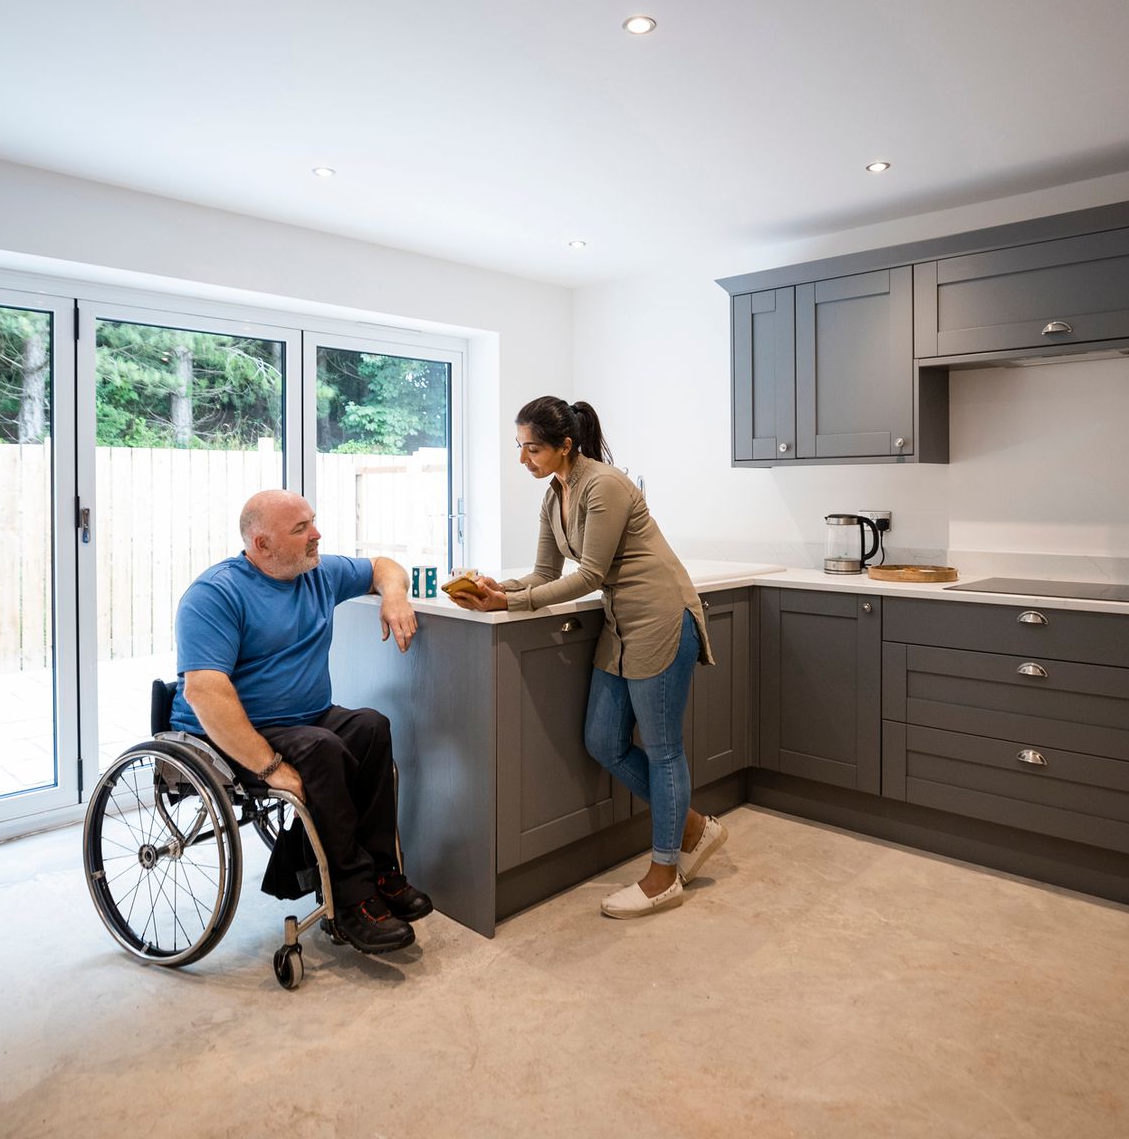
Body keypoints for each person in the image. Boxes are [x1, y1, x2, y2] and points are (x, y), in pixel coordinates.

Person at [449, 397, 728, 918]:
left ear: (565, 446)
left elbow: (591, 575)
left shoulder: (605, 485)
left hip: (661, 617)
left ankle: (665, 874)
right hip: (621, 626)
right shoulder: (554, 495)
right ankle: (692, 827)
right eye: (521, 448)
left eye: (532, 448)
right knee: (603, 741)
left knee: (664, 750)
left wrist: (510, 602)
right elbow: (544, 573)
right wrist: (493, 587)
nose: (524, 459)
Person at [169, 489, 432, 955]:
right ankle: (351, 905)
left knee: (372, 725)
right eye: (301, 529)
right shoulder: (215, 595)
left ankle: (383, 876)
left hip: (306, 718)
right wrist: (271, 768)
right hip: (233, 732)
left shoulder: (318, 574)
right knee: (321, 749)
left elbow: (381, 566)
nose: (317, 535)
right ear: (262, 544)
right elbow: (205, 692)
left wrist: (394, 596)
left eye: (312, 522)